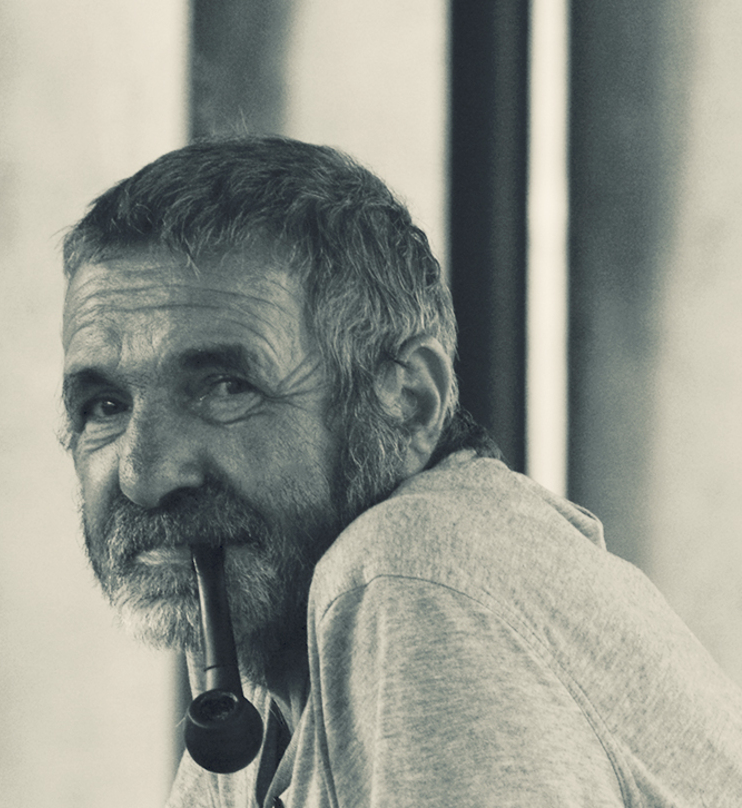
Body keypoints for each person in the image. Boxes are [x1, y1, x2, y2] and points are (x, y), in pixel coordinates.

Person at [60, 135, 742, 807]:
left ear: (409, 402)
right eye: (106, 406)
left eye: (226, 388)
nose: (143, 476)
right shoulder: (262, 683)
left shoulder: (411, 571)